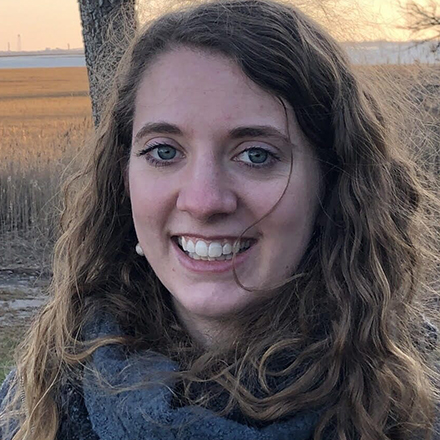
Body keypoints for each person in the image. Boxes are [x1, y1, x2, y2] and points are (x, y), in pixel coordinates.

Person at [1, 0, 439, 439]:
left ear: (332, 182)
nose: (204, 202)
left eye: (256, 155)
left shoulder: (414, 407)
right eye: (164, 152)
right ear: (123, 179)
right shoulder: (35, 403)